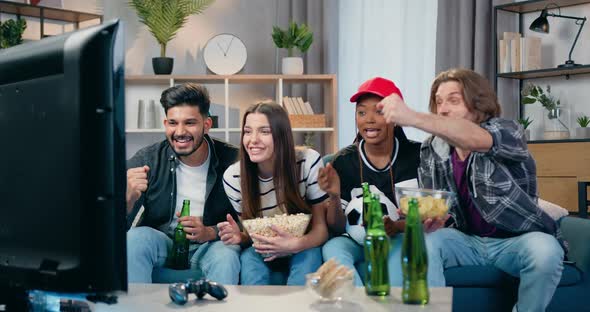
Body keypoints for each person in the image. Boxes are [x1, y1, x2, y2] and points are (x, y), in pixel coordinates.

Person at [378, 68, 564, 312]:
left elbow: (474, 139)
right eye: (439, 101)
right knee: (423, 243)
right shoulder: (432, 149)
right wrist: (434, 220)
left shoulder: (509, 131)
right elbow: (442, 208)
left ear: (478, 106)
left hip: (516, 240)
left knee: (546, 251)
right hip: (466, 241)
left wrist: (411, 116)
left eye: (453, 100)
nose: (443, 109)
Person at [318, 77, 446, 286]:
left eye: (379, 111)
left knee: (398, 263)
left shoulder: (419, 155)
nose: (369, 119)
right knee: (332, 250)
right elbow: (337, 226)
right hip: (354, 240)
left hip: (399, 237)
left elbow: (431, 217)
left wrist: (396, 226)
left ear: (395, 117)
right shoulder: (342, 161)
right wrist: (333, 195)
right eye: (361, 112)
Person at [126, 83, 241, 284]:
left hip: (211, 245)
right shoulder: (148, 159)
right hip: (164, 243)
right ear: (165, 123)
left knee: (227, 256)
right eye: (173, 123)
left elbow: (254, 219)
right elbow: (109, 226)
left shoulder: (233, 161)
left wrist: (210, 231)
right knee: (136, 239)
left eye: (189, 123)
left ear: (206, 125)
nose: (180, 132)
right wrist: (127, 199)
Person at [217, 102, 329, 286]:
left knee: (308, 259)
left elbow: (321, 230)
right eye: (247, 131)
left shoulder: (308, 162)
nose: (253, 140)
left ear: (281, 135)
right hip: (262, 248)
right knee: (249, 262)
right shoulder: (234, 176)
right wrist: (241, 237)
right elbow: (250, 233)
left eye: (264, 131)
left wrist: (295, 244)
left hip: (304, 244)